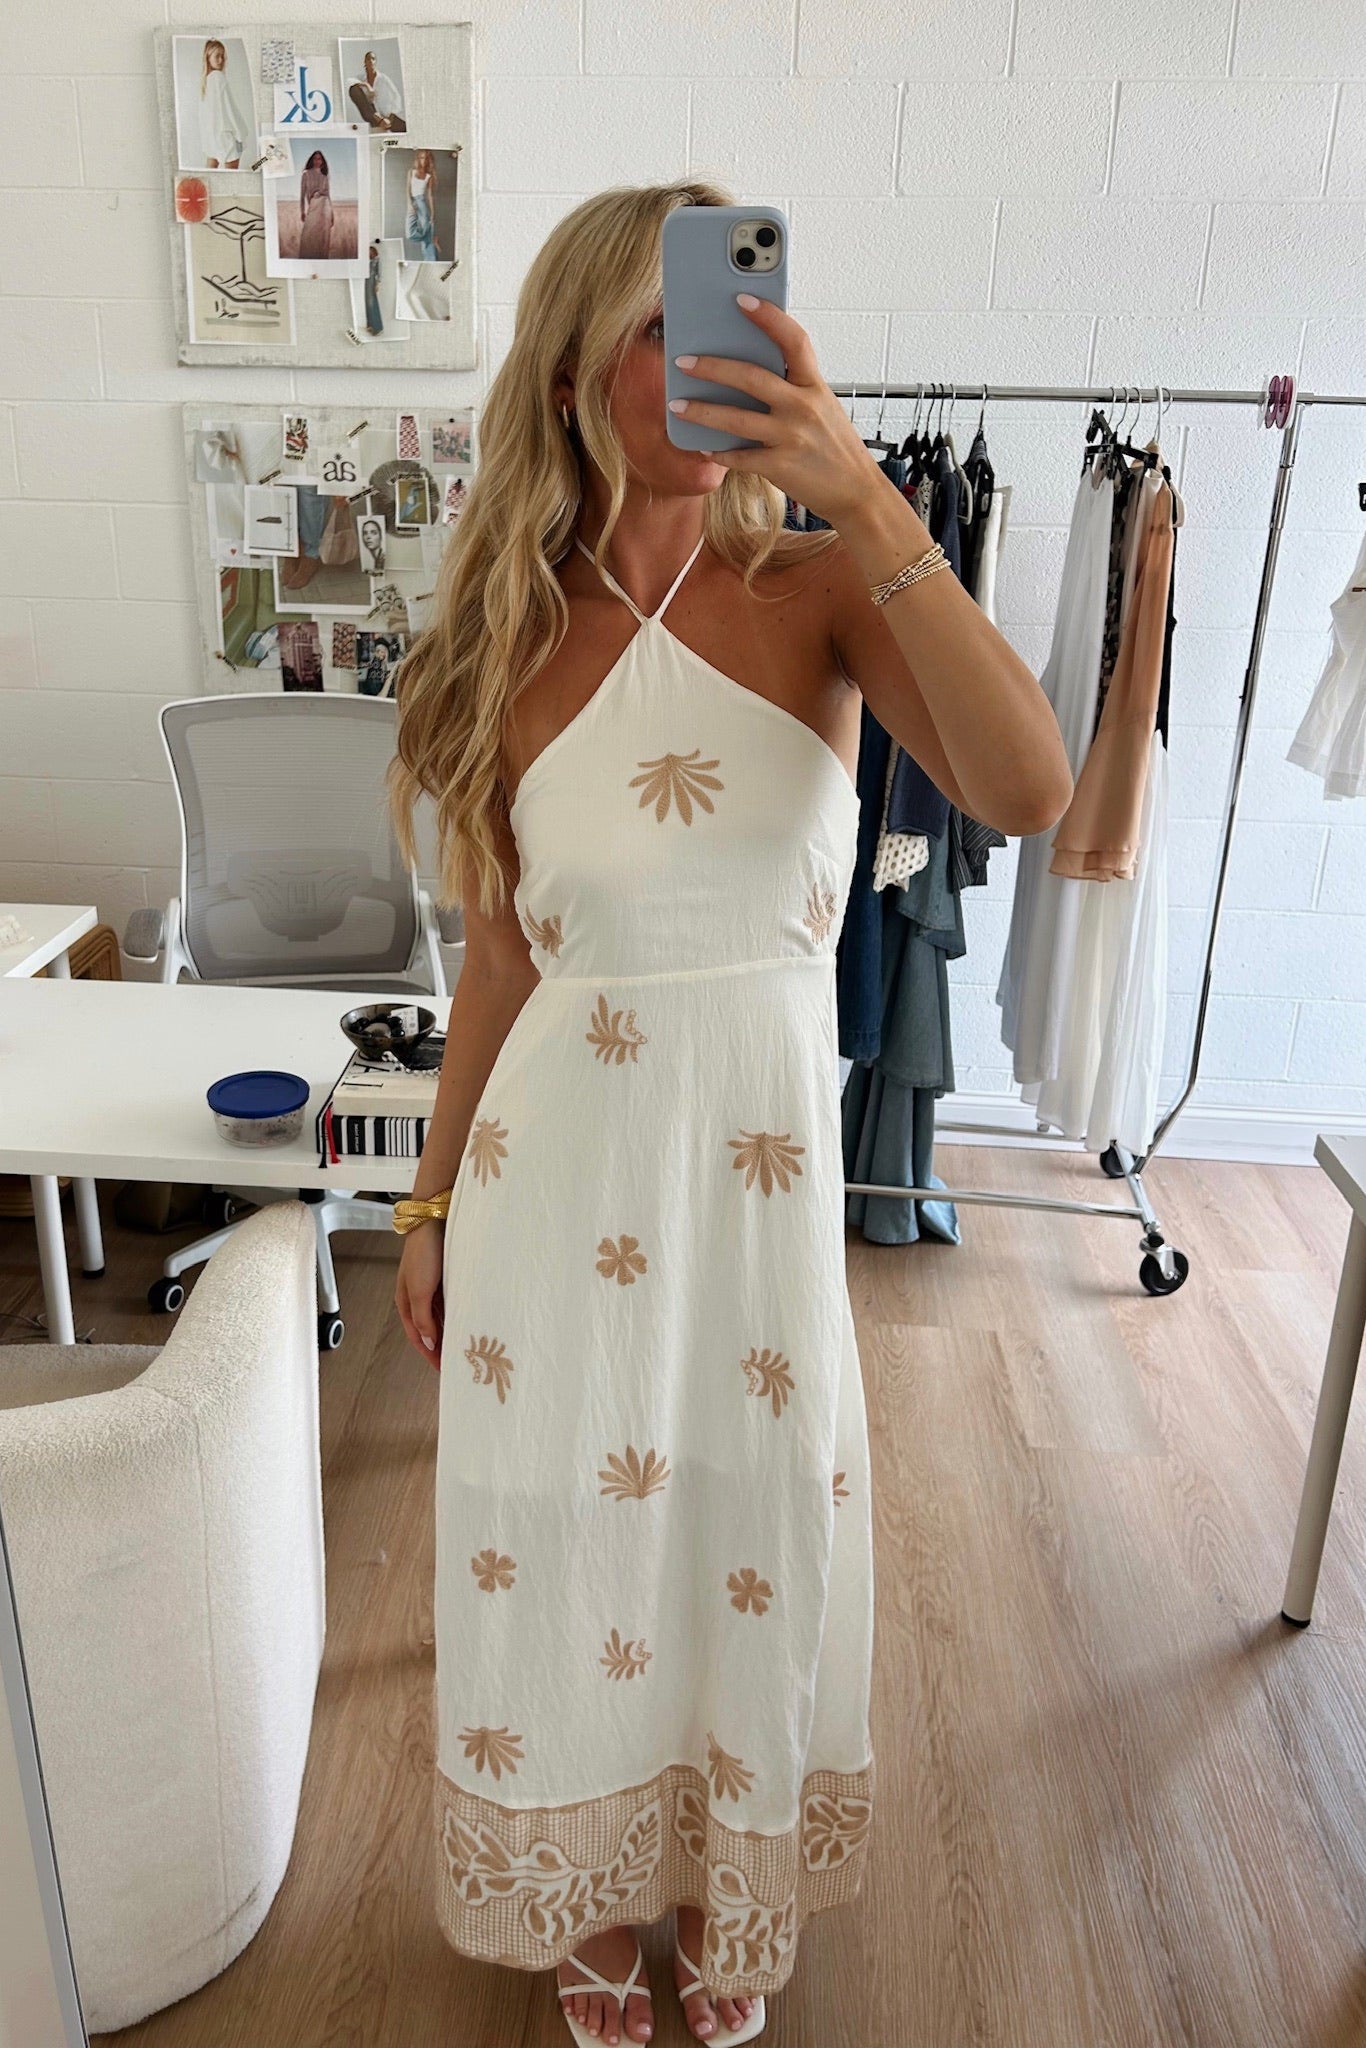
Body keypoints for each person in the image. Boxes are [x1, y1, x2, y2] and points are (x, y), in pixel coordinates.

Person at [385, 181, 1071, 2048]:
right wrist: (428, 1206)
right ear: (572, 368)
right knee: (566, 1523)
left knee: (749, 1521)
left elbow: (1025, 788)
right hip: (554, 1175)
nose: (714, 355)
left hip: (756, 1189)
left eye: (736, 317)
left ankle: (722, 1865)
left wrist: (865, 494)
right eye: (662, 326)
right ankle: (596, 1884)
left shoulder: (824, 584)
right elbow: (503, 958)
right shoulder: (505, 631)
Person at [198, 38, 247, 169]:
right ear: (208, 58)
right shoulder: (218, 77)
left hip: (212, 135)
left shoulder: (206, 80)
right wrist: (240, 133)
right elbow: (228, 109)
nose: (221, 60)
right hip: (225, 134)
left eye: (223, 56)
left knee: (210, 169)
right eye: (217, 56)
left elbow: (205, 114)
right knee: (232, 173)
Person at [348, 46, 406, 131]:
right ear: (364, 61)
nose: (371, 61)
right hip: (372, 115)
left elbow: (396, 96)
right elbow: (348, 81)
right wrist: (367, 85)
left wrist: (391, 118)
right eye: (368, 59)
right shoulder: (361, 78)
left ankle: (385, 122)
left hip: (387, 115)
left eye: (373, 59)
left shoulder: (383, 78)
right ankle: (379, 120)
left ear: (375, 62)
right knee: (353, 89)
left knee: (405, 128)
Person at [297, 149, 333, 262]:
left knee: (323, 238)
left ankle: (322, 262)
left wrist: (332, 215)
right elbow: (302, 195)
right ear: (312, 160)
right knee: (307, 236)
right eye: (315, 159)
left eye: (319, 159)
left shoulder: (325, 176)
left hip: (325, 208)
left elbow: (328, 195)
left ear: (322, 161)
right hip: (313, 207)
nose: (317, 161)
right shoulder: (306, 174)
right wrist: (302, 211)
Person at [405, 149, 439, 260]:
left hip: (422, 202)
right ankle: (432, 240)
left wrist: (433, 213)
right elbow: (407, 189)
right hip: (413, 201)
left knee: (426, 229)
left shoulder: (429, 176)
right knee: (410, 234)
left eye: (425, 158)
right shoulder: (411, 172)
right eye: (420, 158)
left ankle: (430, 260)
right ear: (418, 159)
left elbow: (430, 195)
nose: (422, 160)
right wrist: (410, 204)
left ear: (428, 160)